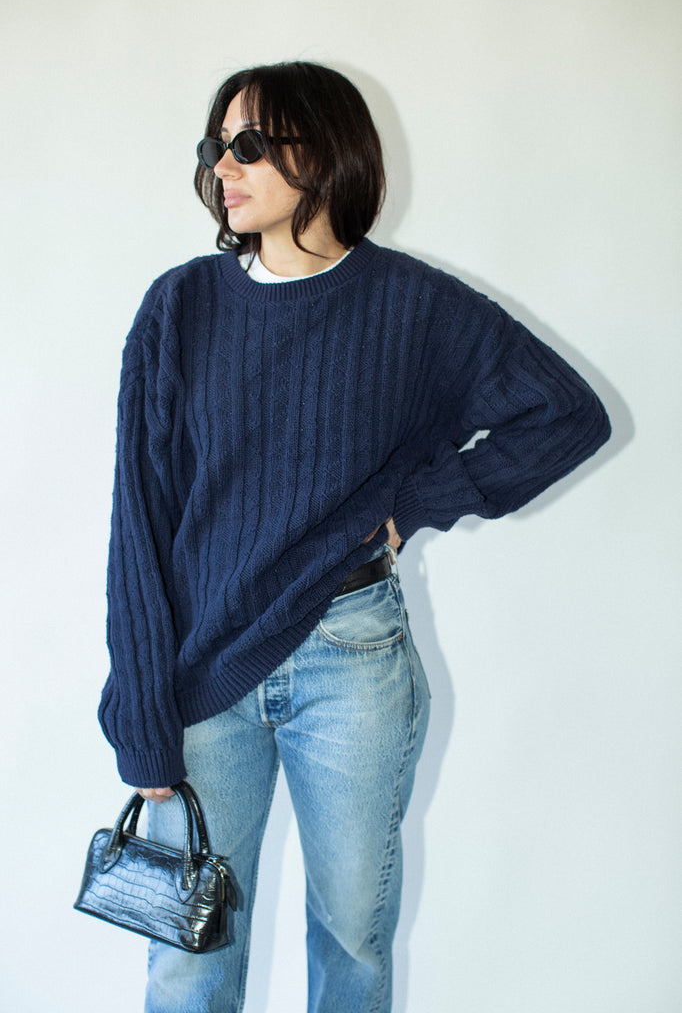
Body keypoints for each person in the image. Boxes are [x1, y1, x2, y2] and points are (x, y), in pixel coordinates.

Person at [99, 61, 611, 1012]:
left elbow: (567, 416)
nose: (225, 167)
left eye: (249, 145)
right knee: (189, 954)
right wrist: (139, 711)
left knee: (353, 943)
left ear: (323, 152)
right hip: (203, 672)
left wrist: (418, 499)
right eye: (216, 147)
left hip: (353, 658)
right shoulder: (182, 308)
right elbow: (139, 519)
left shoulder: (414, 308)